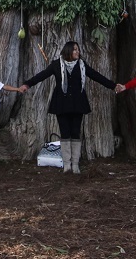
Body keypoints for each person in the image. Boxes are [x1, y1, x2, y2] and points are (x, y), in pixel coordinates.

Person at [19, 41, 117, 174]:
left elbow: (97, 76)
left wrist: (113, 86)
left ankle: (75, 164)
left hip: (78, 103)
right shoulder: (56, 65)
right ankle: (66, 164)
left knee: (75, 132)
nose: (77, 52)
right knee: (65, 132)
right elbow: (42, 75)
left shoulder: (82, 65)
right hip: (61, 104)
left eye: (78, 49)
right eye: (75, 50)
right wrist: (27, 84)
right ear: (68, 51)